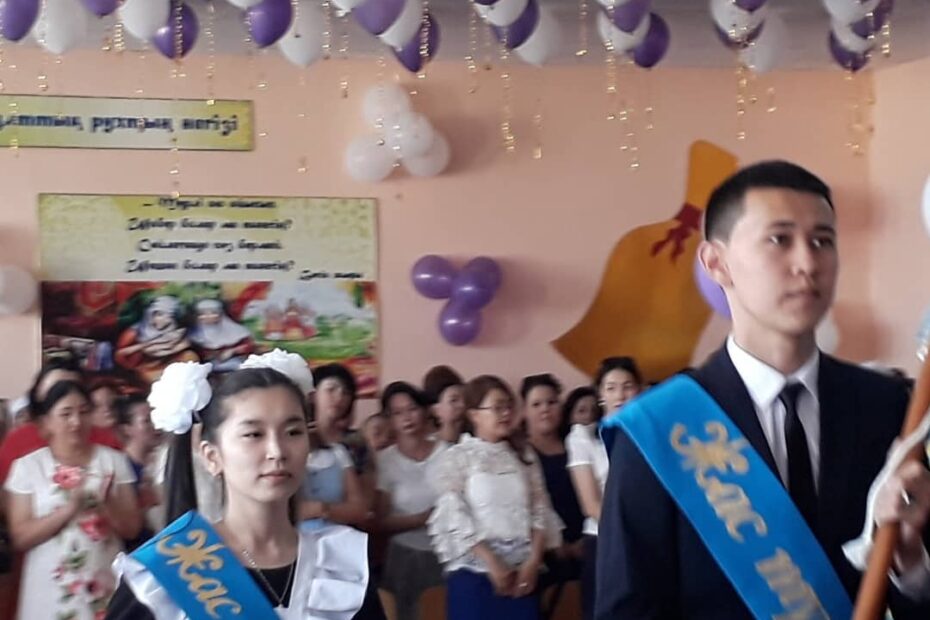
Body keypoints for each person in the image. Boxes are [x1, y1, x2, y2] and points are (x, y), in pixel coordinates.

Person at [596, 161, 930, 619]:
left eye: (823, 241)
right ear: (716, 263)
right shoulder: (657, 429)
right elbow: (628, 608)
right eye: (779, 239)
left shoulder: (886, 406)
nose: (808, 263)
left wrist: (911, 566)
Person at [105, 362, 369, 619]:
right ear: (212, 456)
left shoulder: (341, 563)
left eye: (292, 432)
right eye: (254, 434)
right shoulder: (160, 576)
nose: (277, 451)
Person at [5, 381, 142, 620]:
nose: (76, 422)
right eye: (66, 414)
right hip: (48, 588)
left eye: (84, 412)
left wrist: (108, 506)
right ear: (47, 422)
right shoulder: (28, 467)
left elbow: (132, 529)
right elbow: (20, 537)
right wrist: (68, 510)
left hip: (104, 580)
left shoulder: (114, 461)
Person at [428, 375, 553, 620]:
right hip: (475, 571)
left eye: (508, 406)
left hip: (522, 570)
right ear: (474, 414)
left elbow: (540, 508)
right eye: (497, 408)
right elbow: (454, 514)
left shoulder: (523, 455)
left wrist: (533, 561)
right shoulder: (458, 456)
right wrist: (491, 561)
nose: (505, 413)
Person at [376, 382, 447, 620]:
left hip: (446, 552)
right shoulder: (385, 460)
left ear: (424, 411)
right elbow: (380, 521)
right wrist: (422, 519)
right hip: (404, 557)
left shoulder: (448, 452)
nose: (406, 418)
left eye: (412, 409)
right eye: (397, 413)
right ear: (389, 420)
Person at [519, 374, 585, 618]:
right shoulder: (518, 454)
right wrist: (559, 546)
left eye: (551, 402)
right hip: (543, 554)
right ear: (524, 411)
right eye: (536, 404)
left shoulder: (578, 444)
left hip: (587, 546)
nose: (545, 409)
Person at [564, 382, 612, 620]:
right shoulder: (581, 436)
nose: (620, 395)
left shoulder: (642, 431)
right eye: (612, 388)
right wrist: (625, 533)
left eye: (628, 387)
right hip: (603, 536)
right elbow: (590, 505)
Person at [114, 296, 198, 384]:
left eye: (169, 317)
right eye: (159, 315)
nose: (164, 320)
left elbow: (182, 345)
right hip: (145, 368)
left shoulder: (176, 331)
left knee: (190, 357)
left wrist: (170, 347)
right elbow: (119, 354)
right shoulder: (134, 332)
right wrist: (144, 346)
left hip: (169, 365)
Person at [115, 395, 161, 551]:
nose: (155, 425)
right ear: (127, 429)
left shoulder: (163, 462)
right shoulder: (120, 469)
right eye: (147, 421)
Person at [187, 298, 255, 372]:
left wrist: (232, 351)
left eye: (213, 313)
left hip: (234, 363)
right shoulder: (193, 335)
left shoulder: (237, 331)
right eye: (203, 314)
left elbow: (248, 345)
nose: (208, 316)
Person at [423, 365, 467, 445]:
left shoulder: (475, 442)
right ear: (435, 410)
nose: (462, 405)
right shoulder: (428, 447)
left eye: (465, 399)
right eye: (454, 400)